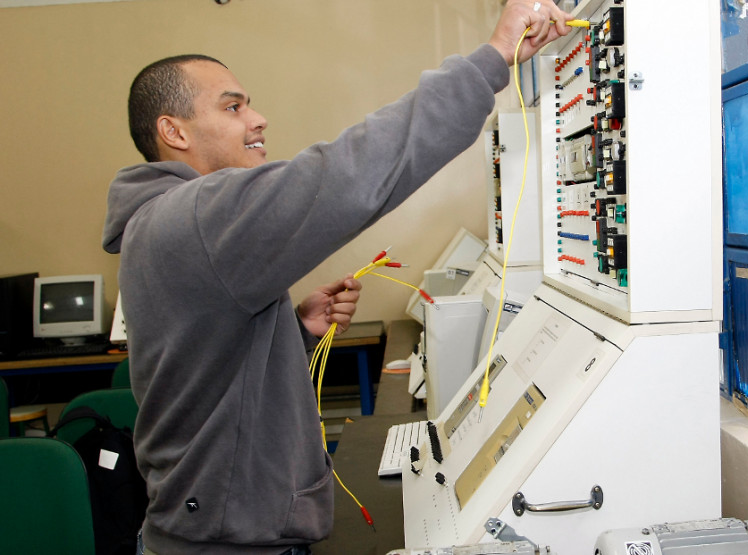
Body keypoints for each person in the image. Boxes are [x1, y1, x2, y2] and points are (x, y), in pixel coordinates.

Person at [102, 1, 573, 553]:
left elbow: (202, 367)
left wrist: (294, 330)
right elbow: (348, 175)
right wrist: (491, 60)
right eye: (232, 108)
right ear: (173, 131)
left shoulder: (163, 223)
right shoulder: (195, 218)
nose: (257, 120)